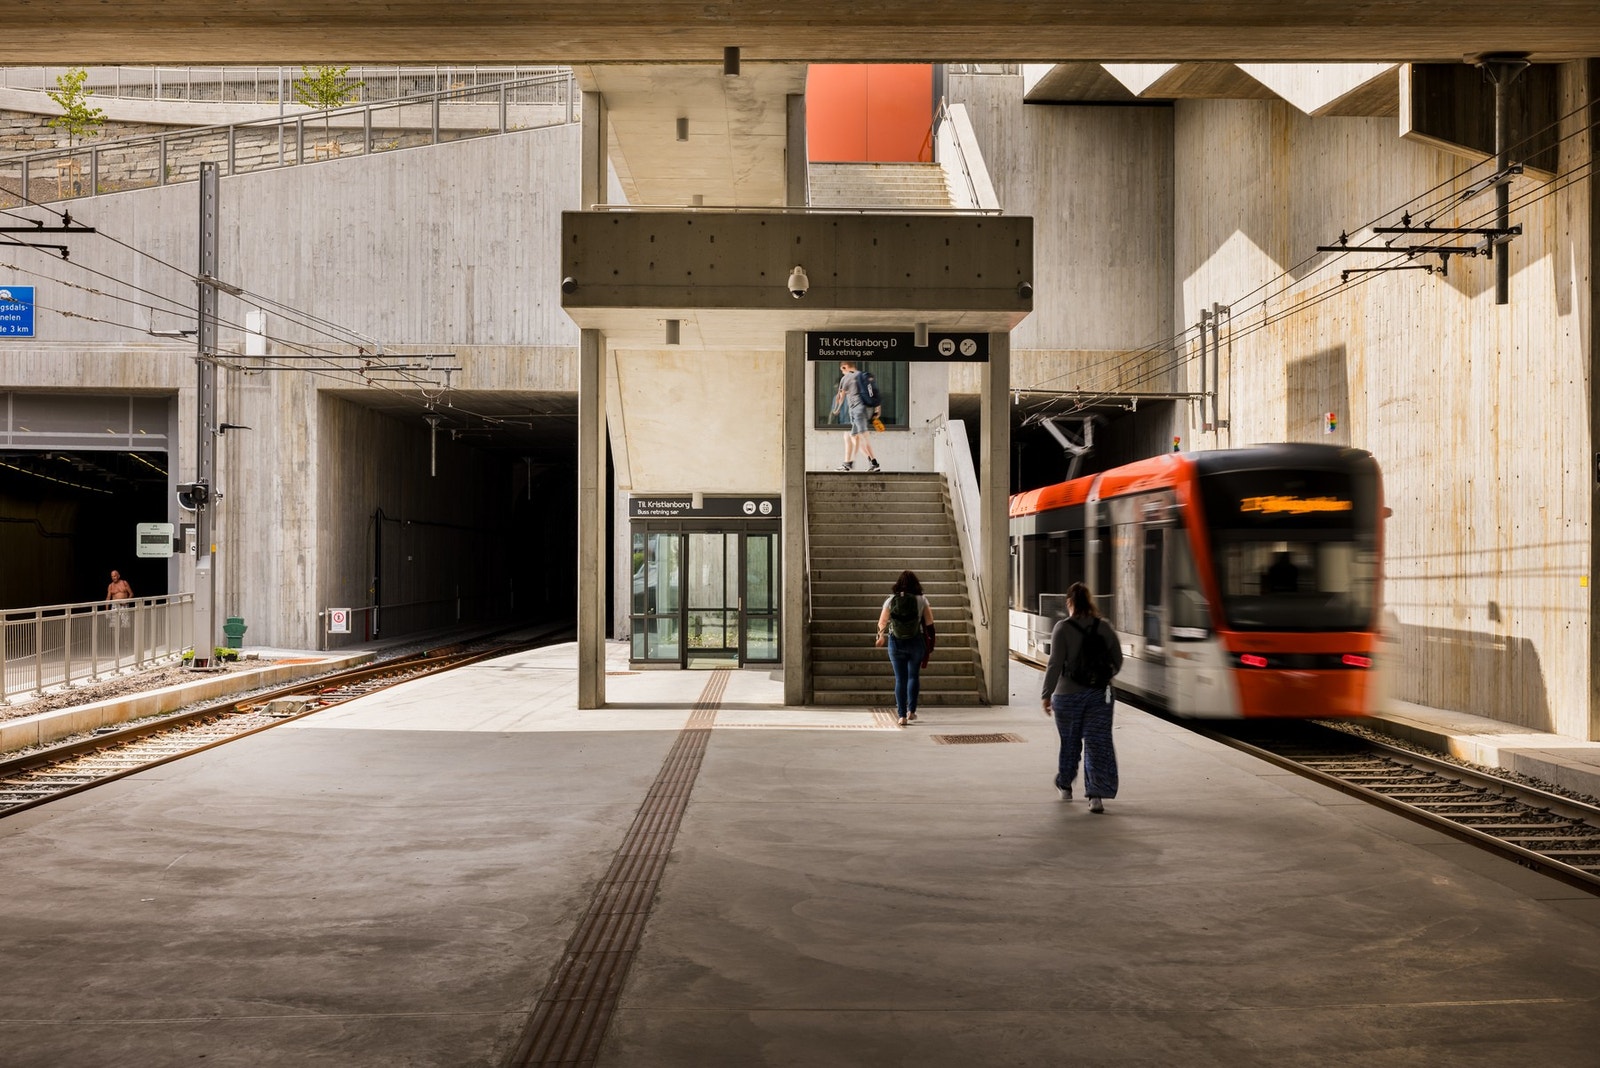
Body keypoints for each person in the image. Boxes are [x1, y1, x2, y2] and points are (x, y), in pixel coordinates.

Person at [1040, 582, 1123, 812]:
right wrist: (1102, 677)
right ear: (1090, 601)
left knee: (1070, 742)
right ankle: (1096, 795)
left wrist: (1046, 695)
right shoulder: (1104, 627)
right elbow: (1118, 660)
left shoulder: (1062, 628)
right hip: (1101, 695)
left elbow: (1055, 664)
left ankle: (1065, 785)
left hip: (1067, 696)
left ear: (1070, 603)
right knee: (1097, 742)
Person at [876, 569, 934, 726]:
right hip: (917, 641)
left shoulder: (891, 599)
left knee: (900, 679)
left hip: (896, 642)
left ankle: (901, 716)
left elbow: (882, 621)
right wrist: (932, 644)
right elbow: (929, 624)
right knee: (913, 676)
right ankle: (912, 712)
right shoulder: (922, 600)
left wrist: (880, 636)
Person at [829, 360, 881, 472]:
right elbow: (874, 392)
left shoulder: (846, 378)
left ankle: (873, 463)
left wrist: (836, 409)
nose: (842, 373)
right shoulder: (862, 376)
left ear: (845, 367)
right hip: (863, 410)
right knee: (854, 436)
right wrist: (877, 408)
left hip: (857, 411)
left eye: (842, 370)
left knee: (863, 436)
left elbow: (840, 397)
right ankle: (849, 463)